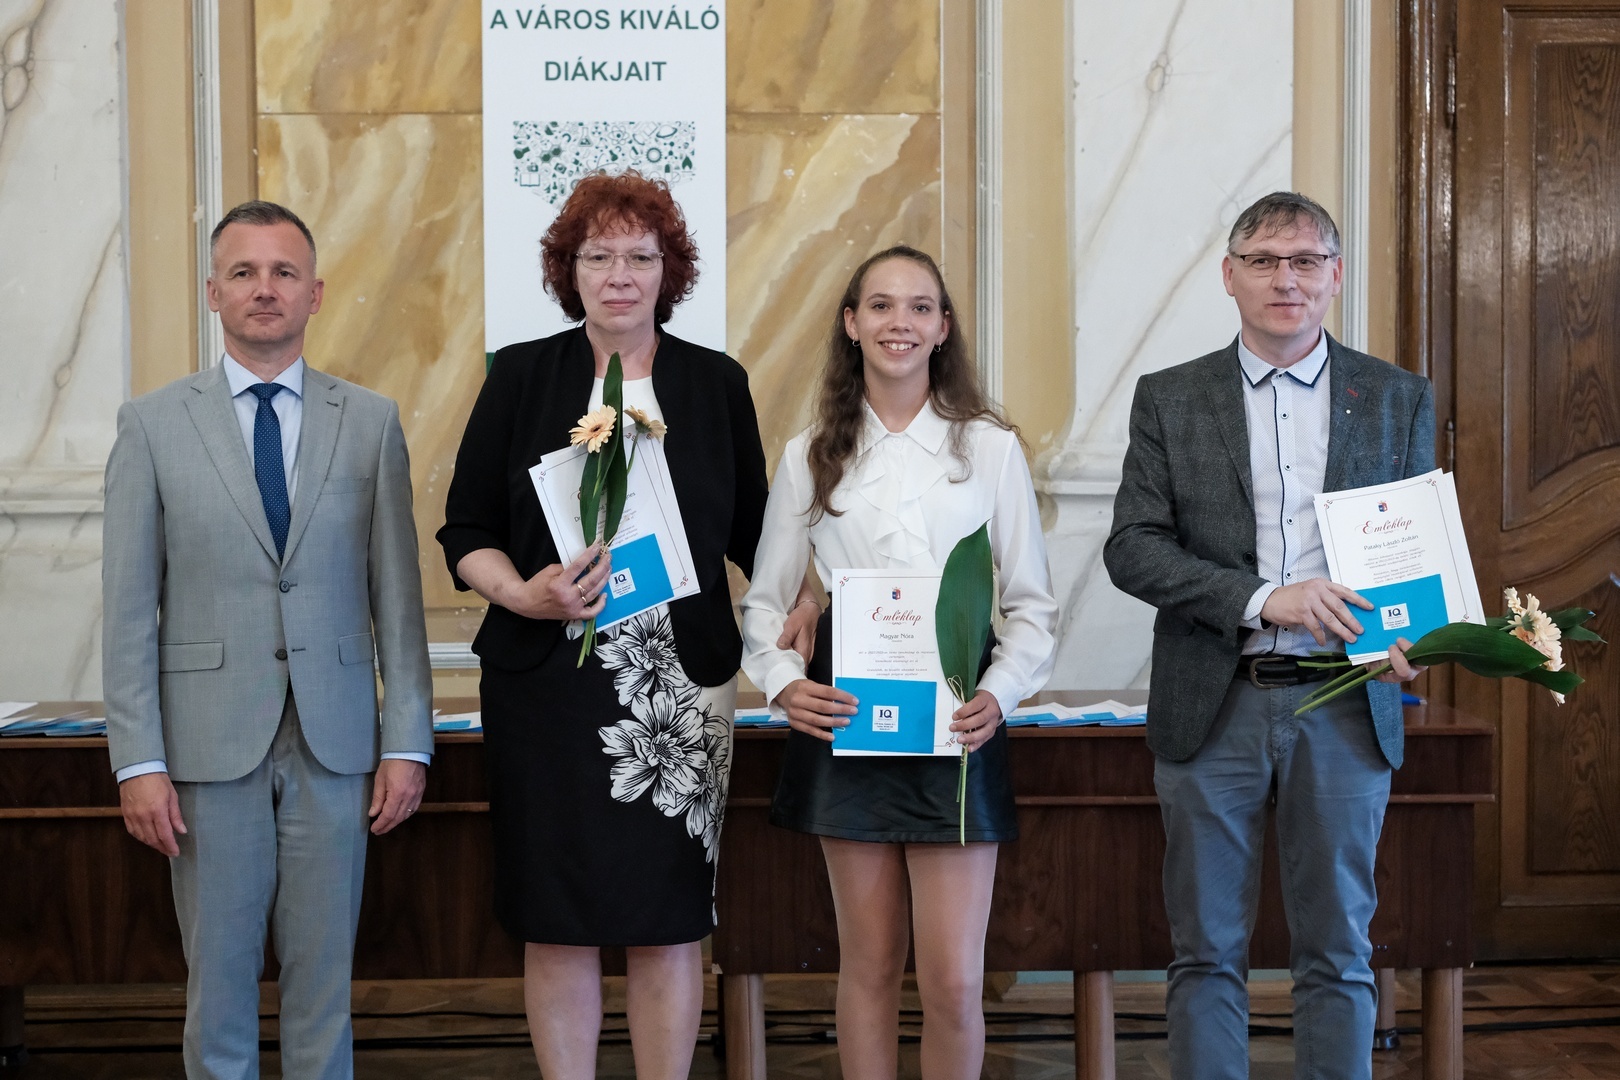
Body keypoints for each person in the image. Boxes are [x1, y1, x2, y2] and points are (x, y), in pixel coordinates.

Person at [437, 169, 816, 1079]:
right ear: (567, 272)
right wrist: (523, 594)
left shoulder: (715, 383)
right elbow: (465, 530)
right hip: (546, 688)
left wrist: (807, 596)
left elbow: (757, 533)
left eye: (639, 257)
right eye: (597, 256)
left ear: (667, 272)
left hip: (677, 697)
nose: (618, 276)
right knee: (554, 919)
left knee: (668, 919)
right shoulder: (520, 376)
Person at [1103, 191, 1434, 1080]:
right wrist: (1262, 599)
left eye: (1306, 261)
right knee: (1206, 950)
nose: (1286, 279)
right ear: (1229, 276)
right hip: (1215, 704)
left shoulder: (1396, 396)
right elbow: (1133, 548)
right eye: (1263, 261)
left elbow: (1414, 545)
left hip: (1347, 704)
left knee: (1339, 951)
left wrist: (1415, 634)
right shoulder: (1170, 397)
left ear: (1335, 276)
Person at [103, 199, 434, 1078]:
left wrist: (407, 742)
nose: (264, 288)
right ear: (213, 291)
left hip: (337, 747)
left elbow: (398, 602)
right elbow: (128, 610)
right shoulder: (151, 425)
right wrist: (137, 762)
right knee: (217, 988)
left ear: (314, 293)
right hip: (206, 751)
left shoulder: (370, 421)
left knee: (325, 989)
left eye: (284, 272)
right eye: (243, 272)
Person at [740, 245, 1058, 1080]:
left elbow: (1032, 605)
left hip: (957, 724)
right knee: (869, 968)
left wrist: (1000, 693)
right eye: (880, 306)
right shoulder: (810, 453)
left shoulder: (989, 450)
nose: (900, 323)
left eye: (920, 307)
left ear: (943, 328)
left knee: (953, 981)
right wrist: (784, 685)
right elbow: (766, 604)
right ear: (851, 323)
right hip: (852, 722)